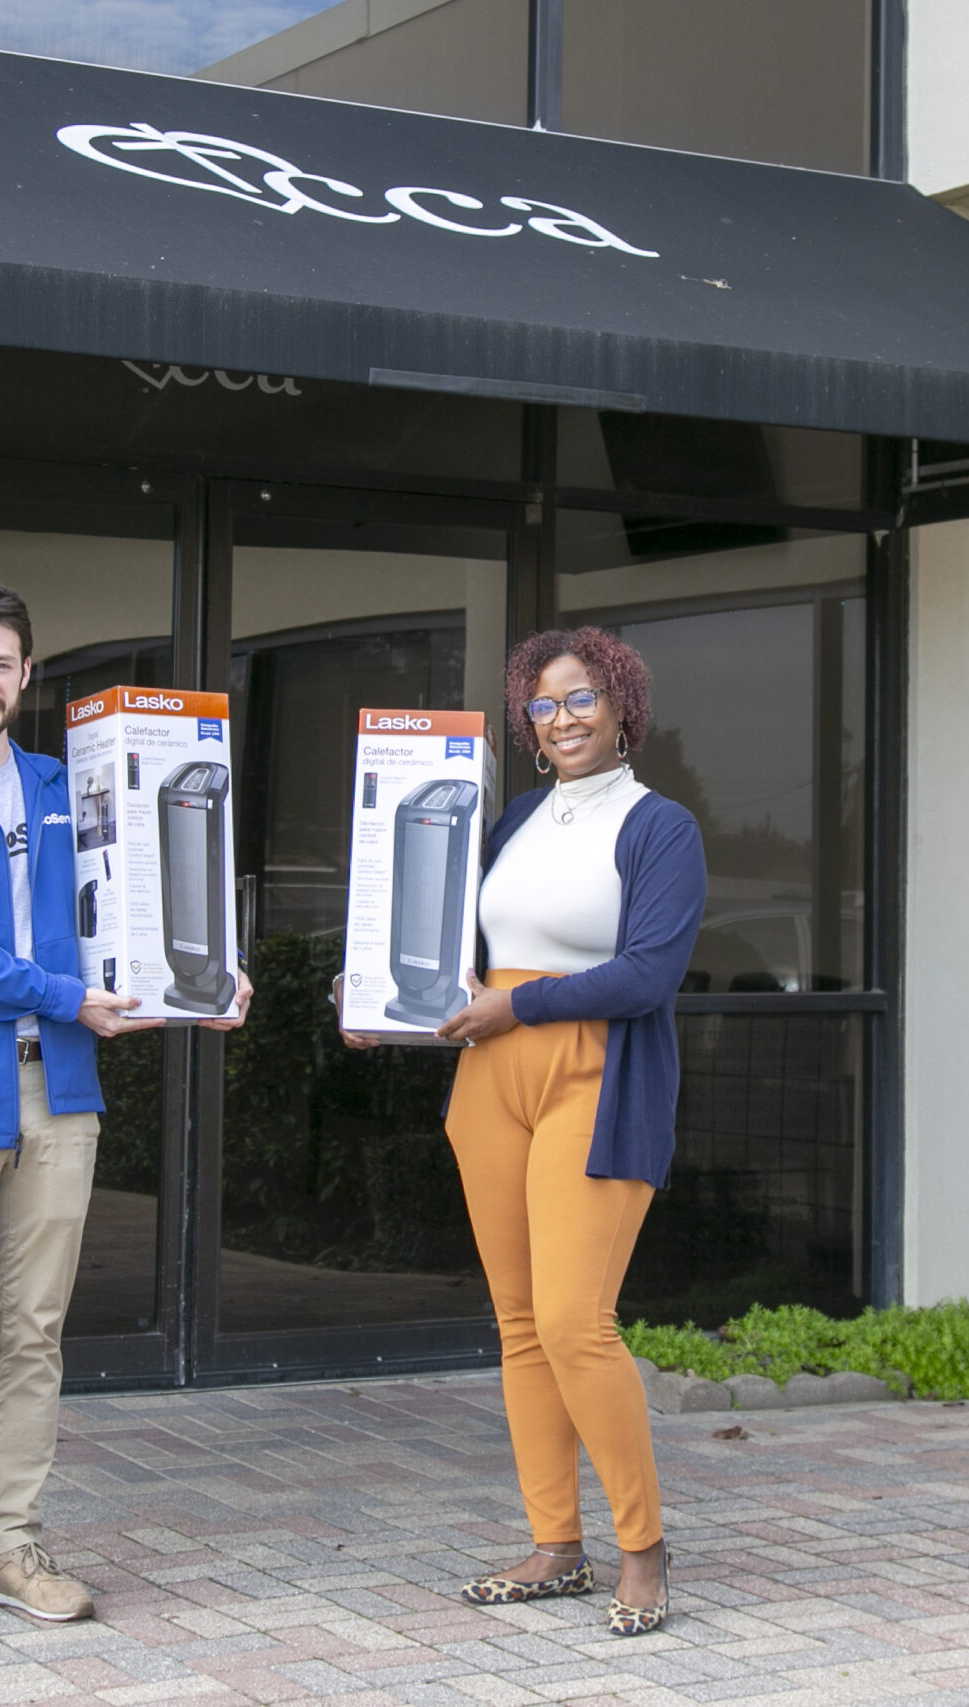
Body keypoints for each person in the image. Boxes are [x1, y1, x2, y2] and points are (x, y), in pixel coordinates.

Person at [0, 578, 251, 1637]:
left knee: (33, 1332)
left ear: (26, 674)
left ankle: (10, 1548)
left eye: (1, 664)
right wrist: (64, 996)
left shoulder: (68, 786)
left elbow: (146, 895)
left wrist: (202, 981)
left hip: (58, 1094)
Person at [349, 627, 702, 1636]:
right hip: (490, 1085)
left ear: (622, 706)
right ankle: (555, 1545)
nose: (563, 719)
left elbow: (648, 975)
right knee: (515, 1325)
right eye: (544, 706)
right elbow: (452, 952)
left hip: (595, 1076)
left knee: (574, 1324)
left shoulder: (659, 827)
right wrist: (380, 1003)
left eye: (581, 698)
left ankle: (643, 1549)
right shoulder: (505, 825)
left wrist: (518, 1009)